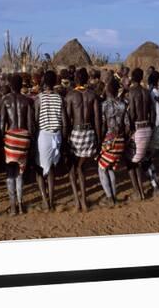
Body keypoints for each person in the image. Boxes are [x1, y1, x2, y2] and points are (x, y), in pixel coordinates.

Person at [66, 67, 101, 212]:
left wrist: (66, 138)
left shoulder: (70, 96)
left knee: (72, 169)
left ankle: (77, 201)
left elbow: (67, 120)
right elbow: (98, 120)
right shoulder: (93, 95)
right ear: (86, 79)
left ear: (75, 79)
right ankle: (84, 202)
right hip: (89, 134)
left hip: (76, 134)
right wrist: (98, 139)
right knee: (82, 168)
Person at [0, 73, 34, 215]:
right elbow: (30, 124)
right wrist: (29, 140)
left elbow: (2, 124)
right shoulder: (27, 100)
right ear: (21, 85)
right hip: (23, 137)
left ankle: (13, 206)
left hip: (11, 137)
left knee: (10, 172)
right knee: (20, 172)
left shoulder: (5, 100)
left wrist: (3, 139)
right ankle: (21, 204)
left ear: (10, 85)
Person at [34, 70, 68, 211]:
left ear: (43, 82)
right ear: (55, 82)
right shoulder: (60, 98)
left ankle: (45, 201)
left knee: (39, 169)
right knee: (51, 169)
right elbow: (65, 121)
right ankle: (52, 200)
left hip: (43, 135)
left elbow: (35, 119)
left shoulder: (39, 98)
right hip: (57, 136)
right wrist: (64, 139)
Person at [97, 77, 130, 207]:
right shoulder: (123, 105)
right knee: (110, 168)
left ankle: (110, 198)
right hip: (120, 140)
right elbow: (127, 125)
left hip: (109, 140)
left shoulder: (104, 105)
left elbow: (103, 125)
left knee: (101, 168)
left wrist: (101, 141)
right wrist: (124, 138)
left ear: (108, 90)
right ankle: (113, 196)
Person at [125, 68, 153, 200]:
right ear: (141, 78)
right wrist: (150, 127)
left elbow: (131, 114)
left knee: (130, 162)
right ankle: (141, 191)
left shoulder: (131, 92)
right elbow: (152, 112)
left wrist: (129, 130)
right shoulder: (147, 92)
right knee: (138, 161)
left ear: (132, 77)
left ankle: (137, 192)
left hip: (137, 129)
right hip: (147, 128)